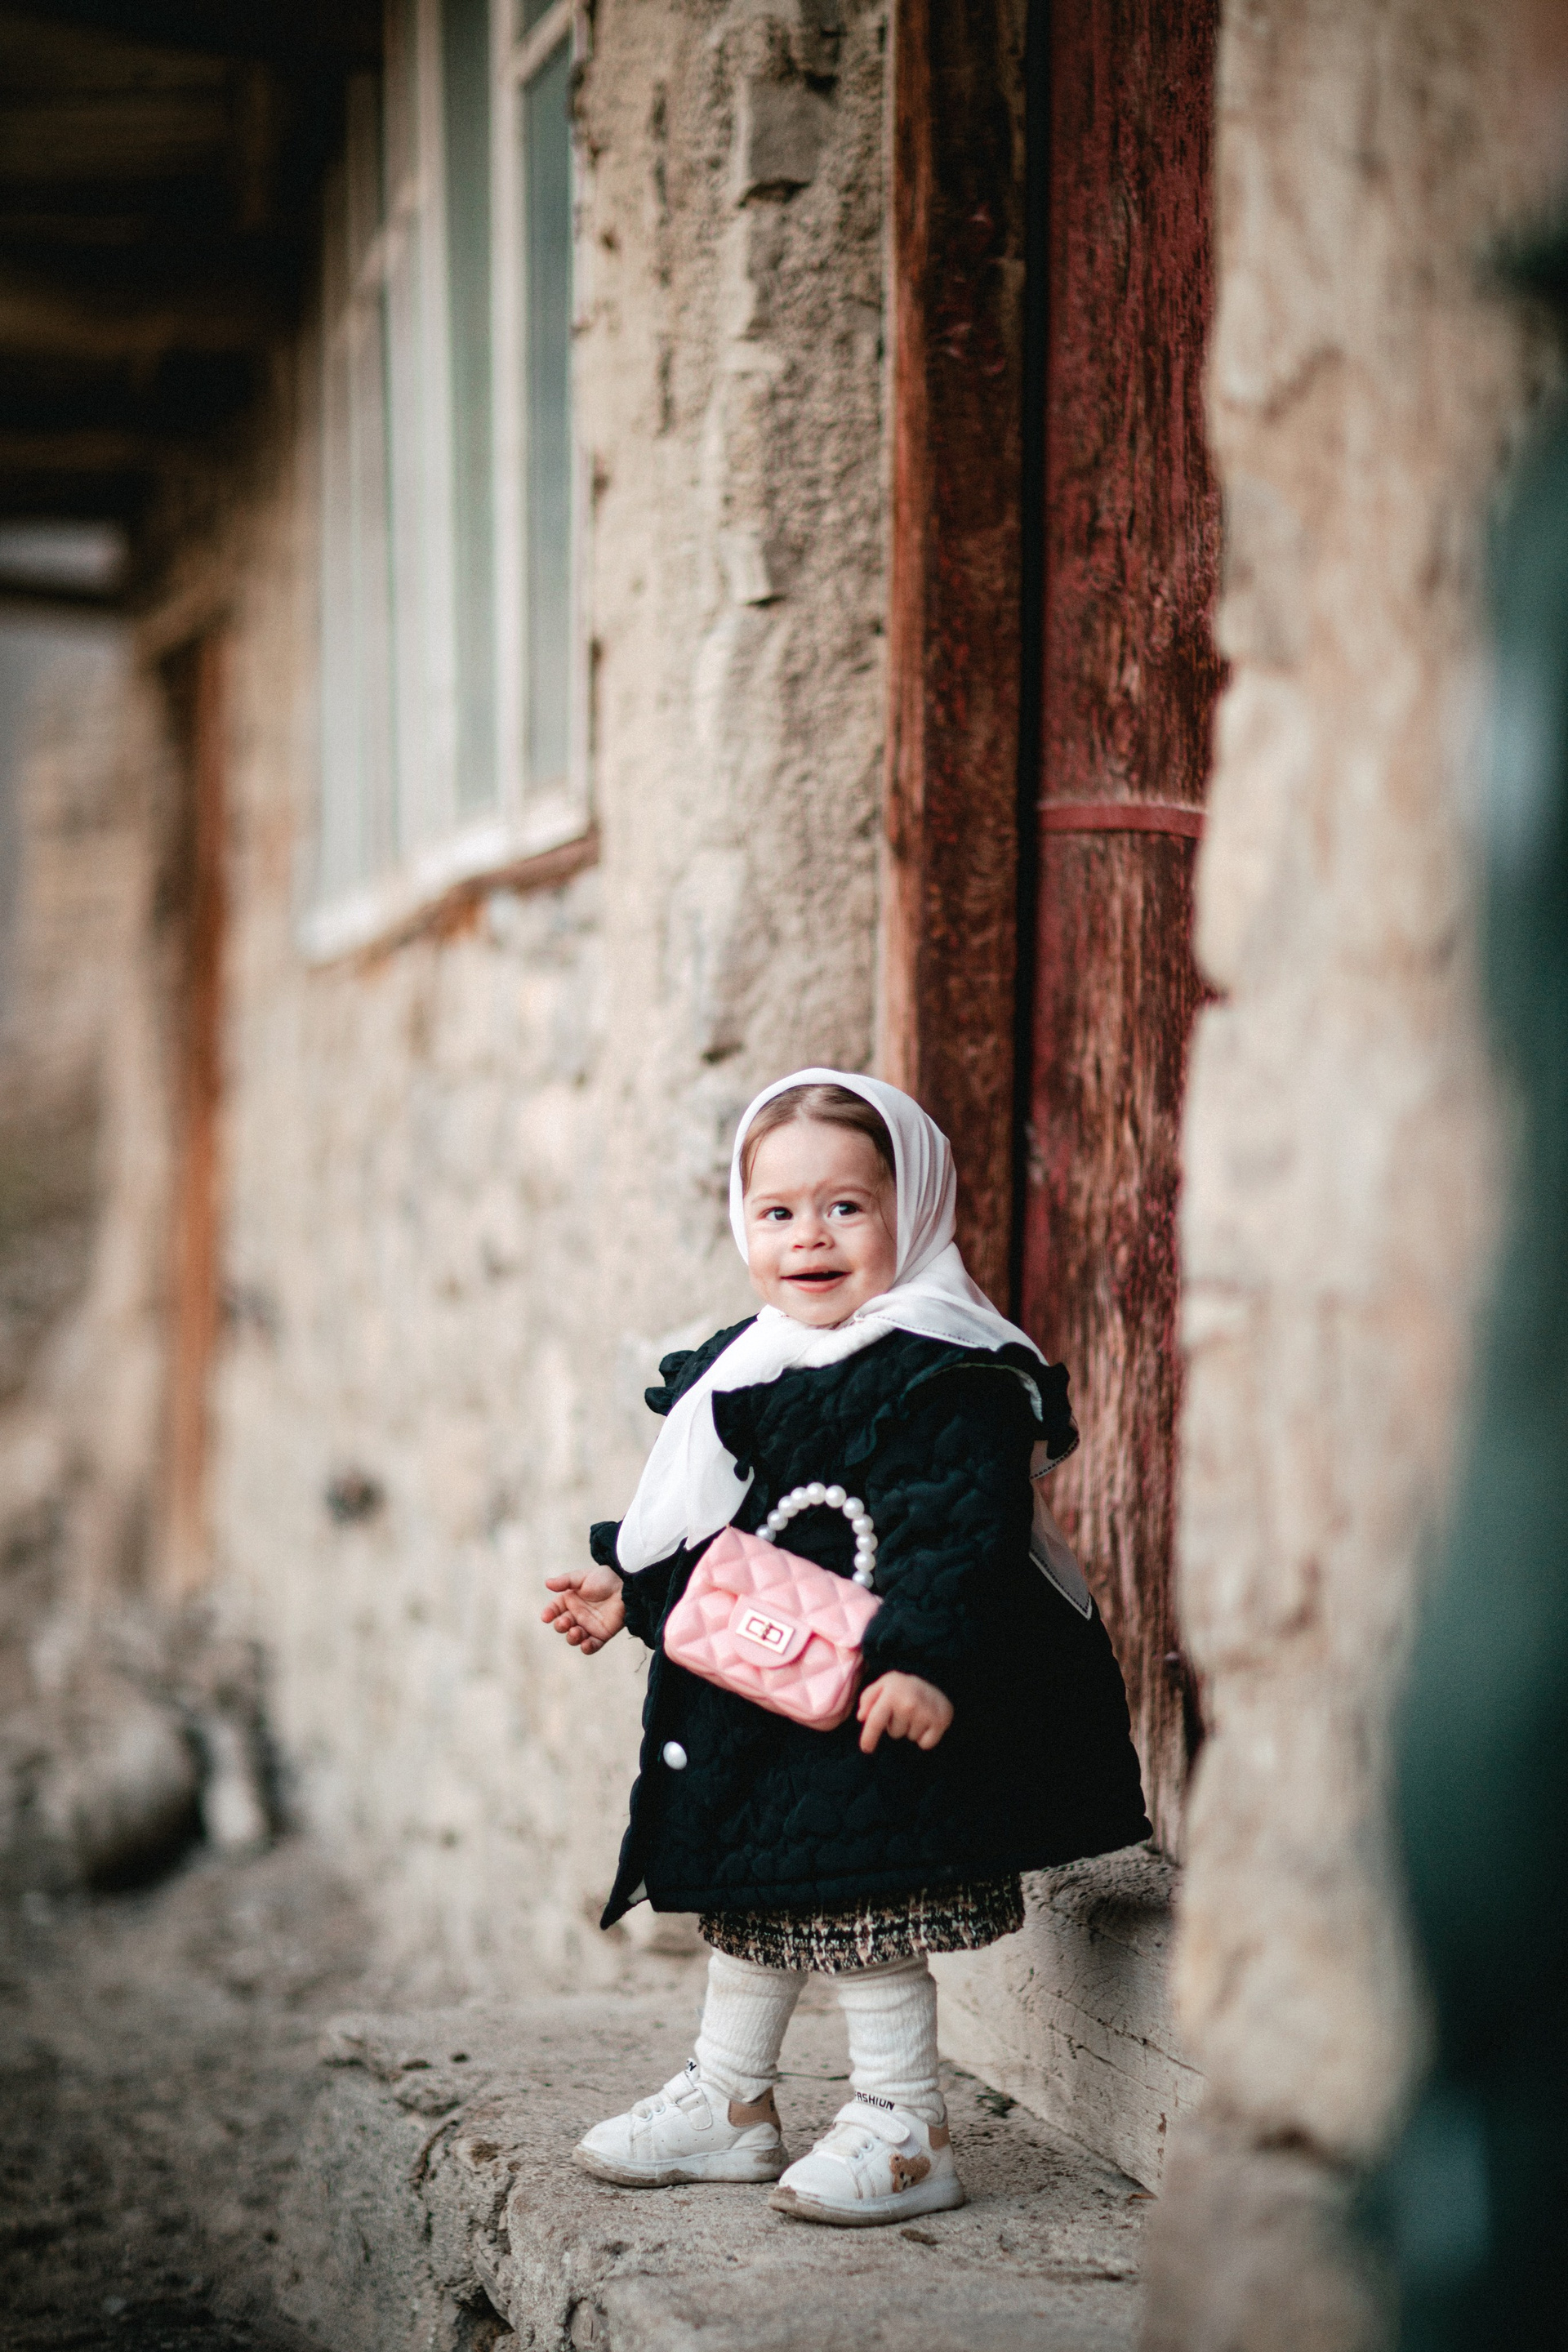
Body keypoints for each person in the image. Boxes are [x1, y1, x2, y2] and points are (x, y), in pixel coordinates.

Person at [542, 1070, 1149, 2226]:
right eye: (777, 1212)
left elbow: (957, 1534)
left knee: (866, 1901)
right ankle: (728, 2101)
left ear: (911, 1210)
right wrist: (633, 1588)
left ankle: (904, 2125)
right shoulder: (748, 1363)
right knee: (760, 1891)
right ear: (744, 1223)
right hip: (769, 1688)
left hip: (886, 1693)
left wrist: (925, 1662)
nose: (808, 1238)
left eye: (845, 1208)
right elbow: (711, 1524)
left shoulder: (948, 1369)